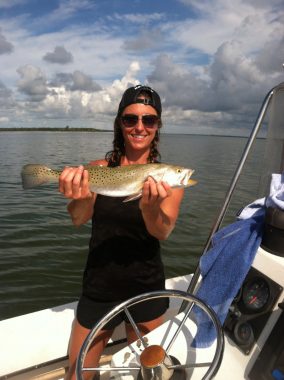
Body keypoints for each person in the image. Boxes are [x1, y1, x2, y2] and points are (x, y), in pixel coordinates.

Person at [59, 85, 185, 380]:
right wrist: (79, 195)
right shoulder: (97, 170)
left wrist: (149, 208)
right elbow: (78, 219)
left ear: (157, 126)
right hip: (99, 284)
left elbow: (163, 231)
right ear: (120, 123)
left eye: (149, 120)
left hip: (146, 286)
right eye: (131, 119)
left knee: (152, 375)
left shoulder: (167, 177)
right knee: (77, 375)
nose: (139, 127)